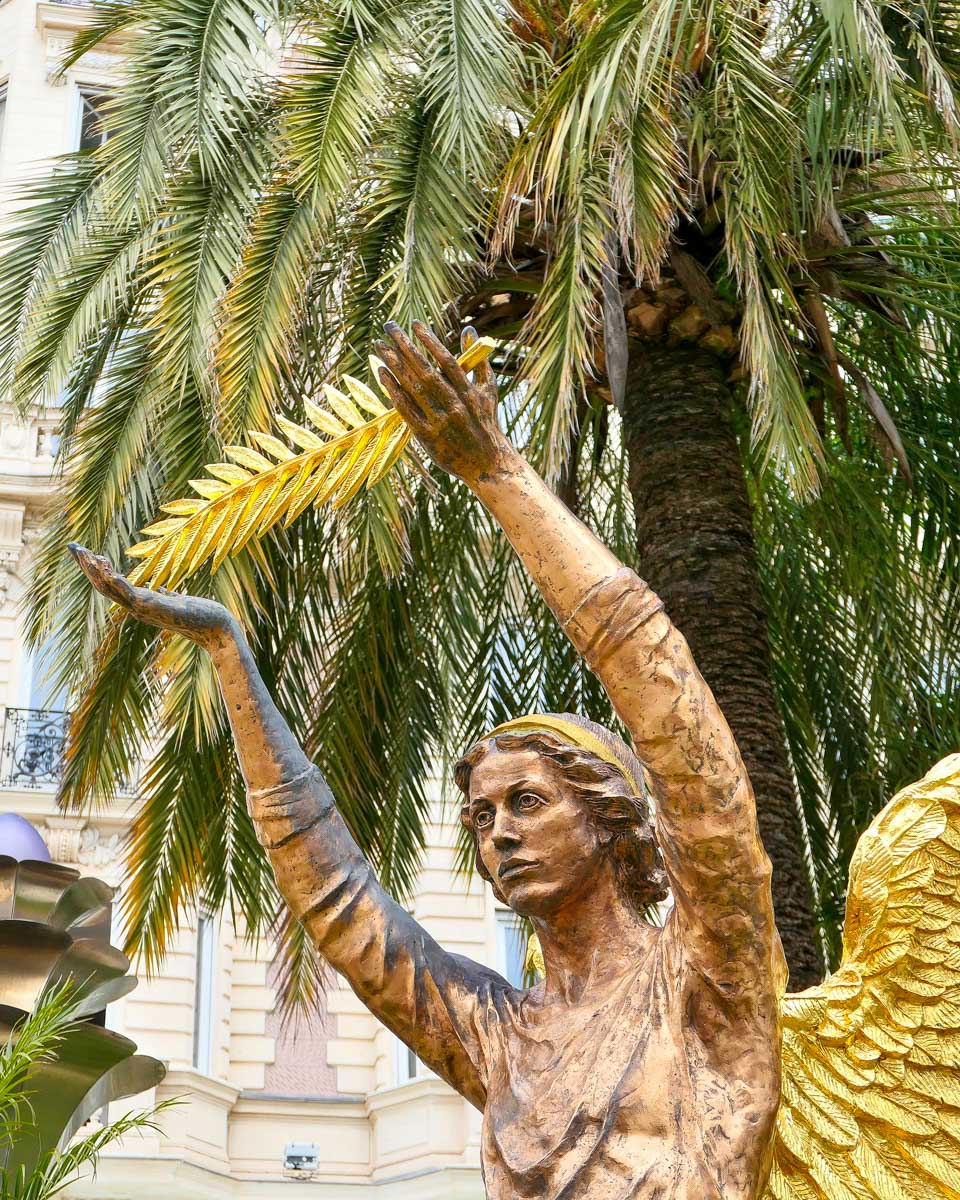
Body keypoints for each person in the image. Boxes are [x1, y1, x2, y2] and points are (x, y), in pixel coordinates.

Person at [70, 321, 786, 1200]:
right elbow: (342, 907)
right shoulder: (498, 1034)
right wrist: (230, 657)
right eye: (482, 818)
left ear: (610, 818)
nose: (500, 834)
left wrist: (497, 473)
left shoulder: (709, 975)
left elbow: (673, 712)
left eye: (528, 802)